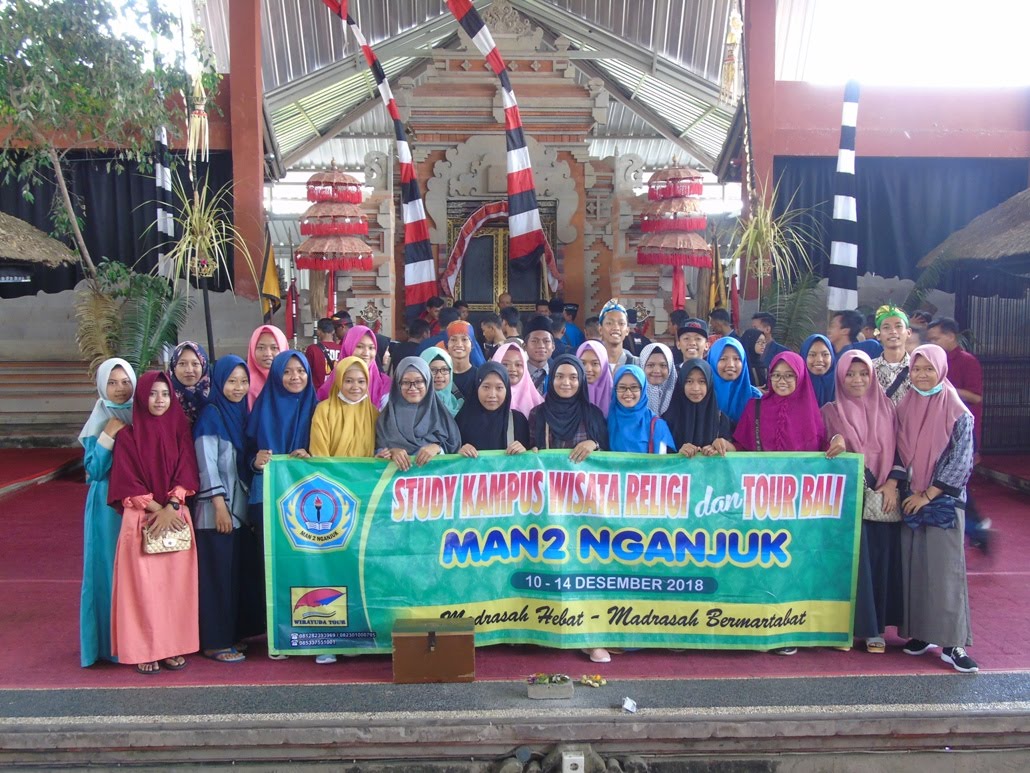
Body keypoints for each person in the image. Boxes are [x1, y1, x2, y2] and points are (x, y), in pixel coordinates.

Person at [108, 371, 200, 674]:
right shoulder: (128, 437)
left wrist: (172, 505)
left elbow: (187, 471)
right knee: (143, 590)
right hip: (141, 519)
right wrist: (159, 509)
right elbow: (127, 481)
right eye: (152, 393)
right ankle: (146, 649)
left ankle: (171, 647)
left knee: (174, 589)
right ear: (141, 397)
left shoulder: (180, 431)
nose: (159, 400)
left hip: (174, 516)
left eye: (164, 394)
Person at [895, 344, 978, 673]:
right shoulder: (906, 404)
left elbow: (961, 462)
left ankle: (953, 644)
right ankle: (921, 634)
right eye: (916, 369)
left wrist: (927, 495)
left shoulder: (957, 410)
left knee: (945, 573)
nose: (922, 375)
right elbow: (898, 450)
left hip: (942, 503)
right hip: (911, 500)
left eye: (929, 368)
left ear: (941, 370)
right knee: (916, 569)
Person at [822, 350, 904, 654]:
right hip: (849, 502)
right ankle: (850, 628)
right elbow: (823, 448)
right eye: (850, 374)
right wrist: (835, 442)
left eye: (863, 374)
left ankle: (876, 628)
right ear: (840, 377)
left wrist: (892, 483)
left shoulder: (888, 408)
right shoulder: (830, 411)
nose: (857, 380)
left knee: (878, 565)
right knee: (853, 567)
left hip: (882, 499)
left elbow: (901, 450)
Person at [246, 351, 317, 660]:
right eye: (287, 371)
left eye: (300, 370)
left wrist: (313, 456)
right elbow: (244, 454)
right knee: (274, 567)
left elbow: (330, 452)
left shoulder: (318, 409)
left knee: (307, 566)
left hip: (308, 504)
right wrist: (254, 461)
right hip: (268, 500)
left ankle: (313, 630)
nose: (294, 377)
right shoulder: (262, 409)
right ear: (276, 375)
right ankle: (279, 634)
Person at [192, 355, 255, 664]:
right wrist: (219, 506)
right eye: (232, 381)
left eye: (243, 381)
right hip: (214, 513)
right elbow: (206, 465)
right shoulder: (211, 415)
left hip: (237, 512)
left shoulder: (240, 413)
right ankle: (214, 642)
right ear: (219, 382)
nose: (238, 388)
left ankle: (229, 634)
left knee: (232, 575)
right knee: (216, 578)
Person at [79, 358, 136, 668]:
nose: (119, 389)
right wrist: (108, 436)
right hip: (105, 509)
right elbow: (94, 470)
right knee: (106, 571)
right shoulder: (100, 418)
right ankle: (106, 645)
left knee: (136, 574)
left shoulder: (141, 413)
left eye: (125, 381)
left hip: (137, 503)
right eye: (112, 383)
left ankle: (136, 641)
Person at [925, 317, 989, 552]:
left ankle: (975, 529)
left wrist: (944, 387)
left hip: (962, 433)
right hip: (939, 432)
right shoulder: (932, 361)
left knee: (956, 485)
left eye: (936, 339)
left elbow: (976, 397)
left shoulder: (966, 361)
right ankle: (976, 530)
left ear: (951, 336)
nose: (932, 343)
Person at [375, 357, 461, 470]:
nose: (412, 388)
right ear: (397, 384)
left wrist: (437, 448)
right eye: (405, 382)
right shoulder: (386, 420)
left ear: (428, 382)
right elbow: (376, 456)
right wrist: (390, 452)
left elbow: (454, 451)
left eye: (419, 381)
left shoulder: (441, 417)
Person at [528, 354, 608, 457]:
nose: (566, 382)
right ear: (552, 379)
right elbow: (529, 450)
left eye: (573, 377)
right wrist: (531, 451)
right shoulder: (537, 413)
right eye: (559, 376)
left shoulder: (593, 414)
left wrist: (594, 444)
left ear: (581, 380)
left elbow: (606, 455)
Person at [661, 359, 734, 457]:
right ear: (681, 383)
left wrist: (722, 446)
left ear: (709, 384)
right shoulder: (666, 420)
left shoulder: (721, 419)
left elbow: (735, 456)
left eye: (702, 381)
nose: (695, 388)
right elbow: (660, 457)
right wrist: (678, 454)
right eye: (689, 381)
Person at [310, 356, 380, 458]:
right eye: (348, 381)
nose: (355, 387)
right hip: (328, 468)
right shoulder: (324, 410)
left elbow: (378, 449)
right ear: (339, 381)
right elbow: (319, 453)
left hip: (365, 469)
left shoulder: (373, 413)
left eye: (361, 381)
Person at [456, 362, 530, 456]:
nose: (492, 395)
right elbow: (449, 455)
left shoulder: (518, 421)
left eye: (499, 388)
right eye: (486, 387)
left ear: (507, 390)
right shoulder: (462, 421)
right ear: (477, 387)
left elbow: (531, 459)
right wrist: (458, 452)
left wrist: (524, 452)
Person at [608, 364, 676, 454]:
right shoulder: (608, 421)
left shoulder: (657, 425)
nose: (628, 393)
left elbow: (662, 460)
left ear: (643, 389)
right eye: (622, 387)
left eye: (634, 387)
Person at [318, 324, 390, 407]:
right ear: (347, 347)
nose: (366, 353)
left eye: (371, 348)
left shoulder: (385, 385)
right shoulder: (331, 385)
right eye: (359, 346)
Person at [706, 337, 761, 431]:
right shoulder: (701, 394)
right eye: (723, 359)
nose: (731, 365)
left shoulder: (755, 397)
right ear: (713, 360)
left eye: (736, 358)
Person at [871, 305, 912, 405]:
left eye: (898, 326)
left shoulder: (918, 367)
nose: (893, 331)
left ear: (908, 332)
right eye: (886, 327)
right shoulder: (869, 369)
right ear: (878, 335)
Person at [493, 342, 544, 420]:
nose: (512, 369)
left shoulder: (538, 404)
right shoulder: (488, 398)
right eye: (505, 364)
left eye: (518, 365)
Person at [168, 341, 211, 425]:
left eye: (195, 364)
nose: (189, 370)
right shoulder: (163, 397)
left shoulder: (216, 395)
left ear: (203, 366)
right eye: (182, 364)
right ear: (174, 367)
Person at [246, 324, 289, 408]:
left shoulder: (294, 381)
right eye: (261, 348)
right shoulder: (243, 383)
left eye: (274, 348)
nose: (267, 354)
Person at [420, 347, 465, 417]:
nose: (439, 375)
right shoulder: (418, 406)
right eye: (433, 370)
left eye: (444, 369)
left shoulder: (458, 402)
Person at [576, 340, 613, 418]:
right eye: (582, 363)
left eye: (595, 363)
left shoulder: (616, 396)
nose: (588, 369)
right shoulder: (568, 393)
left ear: (604, 366)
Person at [638, 342, 677, 416]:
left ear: (670, 367)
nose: (657, 371)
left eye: (663, 365)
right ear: (642, 366)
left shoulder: (679, 395)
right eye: (650, 365)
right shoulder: (633, 395)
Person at [599, 299, 638, 371]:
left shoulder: (636, 364)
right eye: (609, 323)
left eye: (621, 323)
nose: (616, 328)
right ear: (600, 329)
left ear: (627, 330)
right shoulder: (592, 364)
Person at [444, 320, 479, 398]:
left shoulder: (480, 377)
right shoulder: (441, 377)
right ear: (447, 344)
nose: (459, 344)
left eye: (464, 339)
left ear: (472, 344)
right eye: (453, 340)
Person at [304, 318, 341, 391]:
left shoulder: (312, 349)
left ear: (318, 331)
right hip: (336, 392)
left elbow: (306, 371)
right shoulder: (341, 349)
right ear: (333, 331)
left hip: (317, 393)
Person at [800, 334, 837, 407]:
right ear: (804, 356)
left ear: (832, 356)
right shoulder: (795, 385)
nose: (819, 360)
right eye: (812, 355)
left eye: (825, 354)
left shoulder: (841, 385)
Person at [524, 315, 556, 395]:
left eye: (546, 341)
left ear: (553, 347)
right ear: (525, 346)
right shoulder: (518, 374)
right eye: (534, 341)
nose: (541, 346)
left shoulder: (557, 374)